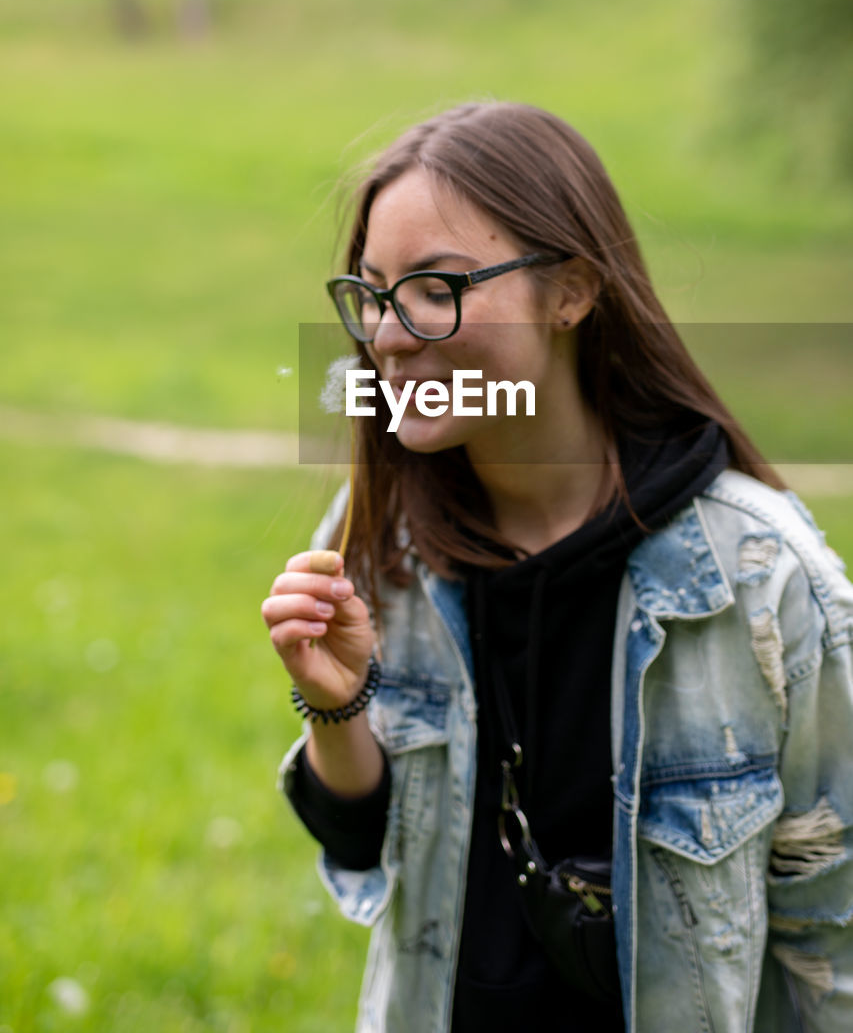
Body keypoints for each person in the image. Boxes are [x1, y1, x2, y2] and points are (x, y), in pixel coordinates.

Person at [260, 101, 853, 1032]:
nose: (387, 335)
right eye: (373, 291)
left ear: (572, 293)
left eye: (436, 287)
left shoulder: (761, 575)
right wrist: (336, 705)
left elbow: (833, 928)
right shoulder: (377, 536)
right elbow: (364, 843)